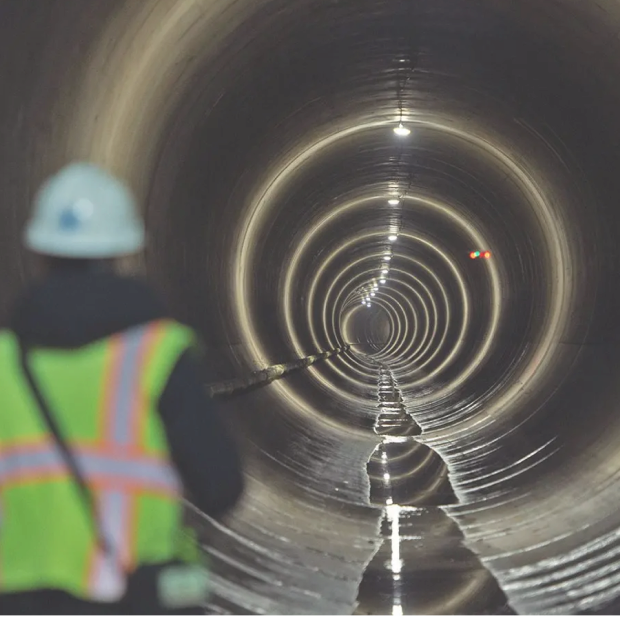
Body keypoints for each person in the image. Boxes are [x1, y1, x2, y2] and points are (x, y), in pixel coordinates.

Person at [0, 162, 244, 615]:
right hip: (132, 594)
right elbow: (220, 485)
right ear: (123, 252)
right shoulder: (155, 355)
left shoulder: (4, 363)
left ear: (38, 254)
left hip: (21, 598)